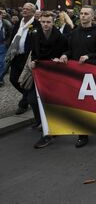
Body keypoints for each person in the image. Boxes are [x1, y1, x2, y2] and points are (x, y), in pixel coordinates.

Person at [56, 6, 96, 148]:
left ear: (92, 16)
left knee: (91, 104)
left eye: (86, 14)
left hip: (91, 75)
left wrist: (89, 56)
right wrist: (65, 54)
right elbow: (70, 50)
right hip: (76, 75)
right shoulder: (74, 32)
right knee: (79, 104)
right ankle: (82, 135)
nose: (83, 16)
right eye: (82, 14)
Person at [30, 11, 68, 148]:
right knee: (33, 99)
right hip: (40, 72)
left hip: (55, 74)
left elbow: (68, 50)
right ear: (40, 22)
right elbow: (33, 52)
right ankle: (44, 124)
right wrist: (33, 61)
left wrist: (63, 56)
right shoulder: (35, 35)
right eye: (43, 22)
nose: (45, 24)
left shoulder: (60, 37)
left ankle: (48, 132)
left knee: (51, 102)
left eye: (48, 22)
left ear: (53, 22)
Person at [7, 3, 41, 115]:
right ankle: (28, 96)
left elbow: (36, 41)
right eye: (24, 8)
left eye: (28, 9)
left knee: (26, 80)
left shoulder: (36, 25)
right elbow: (13, 37)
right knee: (13, 78)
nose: (24, 10)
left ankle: (24, 103)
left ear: (33, 12)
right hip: (16, 56)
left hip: (28, 58)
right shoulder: (18, 23)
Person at [0, 11, 13, 87]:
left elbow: (10, 34)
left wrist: (6, 43)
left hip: (2, 44)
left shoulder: (7, 23)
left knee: (2, 63)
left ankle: (0, 78)